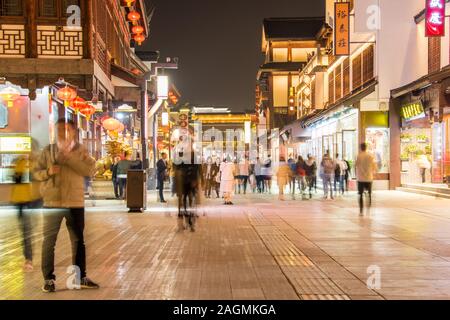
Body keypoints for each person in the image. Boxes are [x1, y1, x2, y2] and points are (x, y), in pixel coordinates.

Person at [34, 119, 98, 293]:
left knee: (78, 240)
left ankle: (80, 277)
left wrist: (70, 159)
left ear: (74, 132)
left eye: (66, 129)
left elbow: (90, 170)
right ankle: (48, 279)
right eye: (59, 130)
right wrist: (48, 171)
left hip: (75, 202)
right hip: (52, 203)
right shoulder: (48, 151)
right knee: (49, 242)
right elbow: (35, 173)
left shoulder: (81, 151)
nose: (63, 133)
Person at [11, 141, 42, 272]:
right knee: (26, 230)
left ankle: (29, 258)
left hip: (34, 200)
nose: (27, 151)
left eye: (30, 148)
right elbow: (16, 180)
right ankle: (28, 258)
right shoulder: (18, 162)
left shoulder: (38, 163)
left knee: (29, 230)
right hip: (20, 200)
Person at [174, 152, 203, 232]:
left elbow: (177, 173)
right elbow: (198, 172)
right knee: (188, 203)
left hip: (187, 185)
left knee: (186, 204)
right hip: (187, 185)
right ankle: (188, 223)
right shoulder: (188, 162)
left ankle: (187, 223)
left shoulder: (184, 162)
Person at [355, 143, 377, 215]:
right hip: (369, 178)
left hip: (361, 178)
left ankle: (361, 211)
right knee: (369, 193)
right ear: (366, 147)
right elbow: (374, 166)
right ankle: (368, 206)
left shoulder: (359, 156)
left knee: (360, 195)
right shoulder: (370, 156)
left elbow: (356, 166)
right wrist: (373, 172)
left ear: (361, 148)